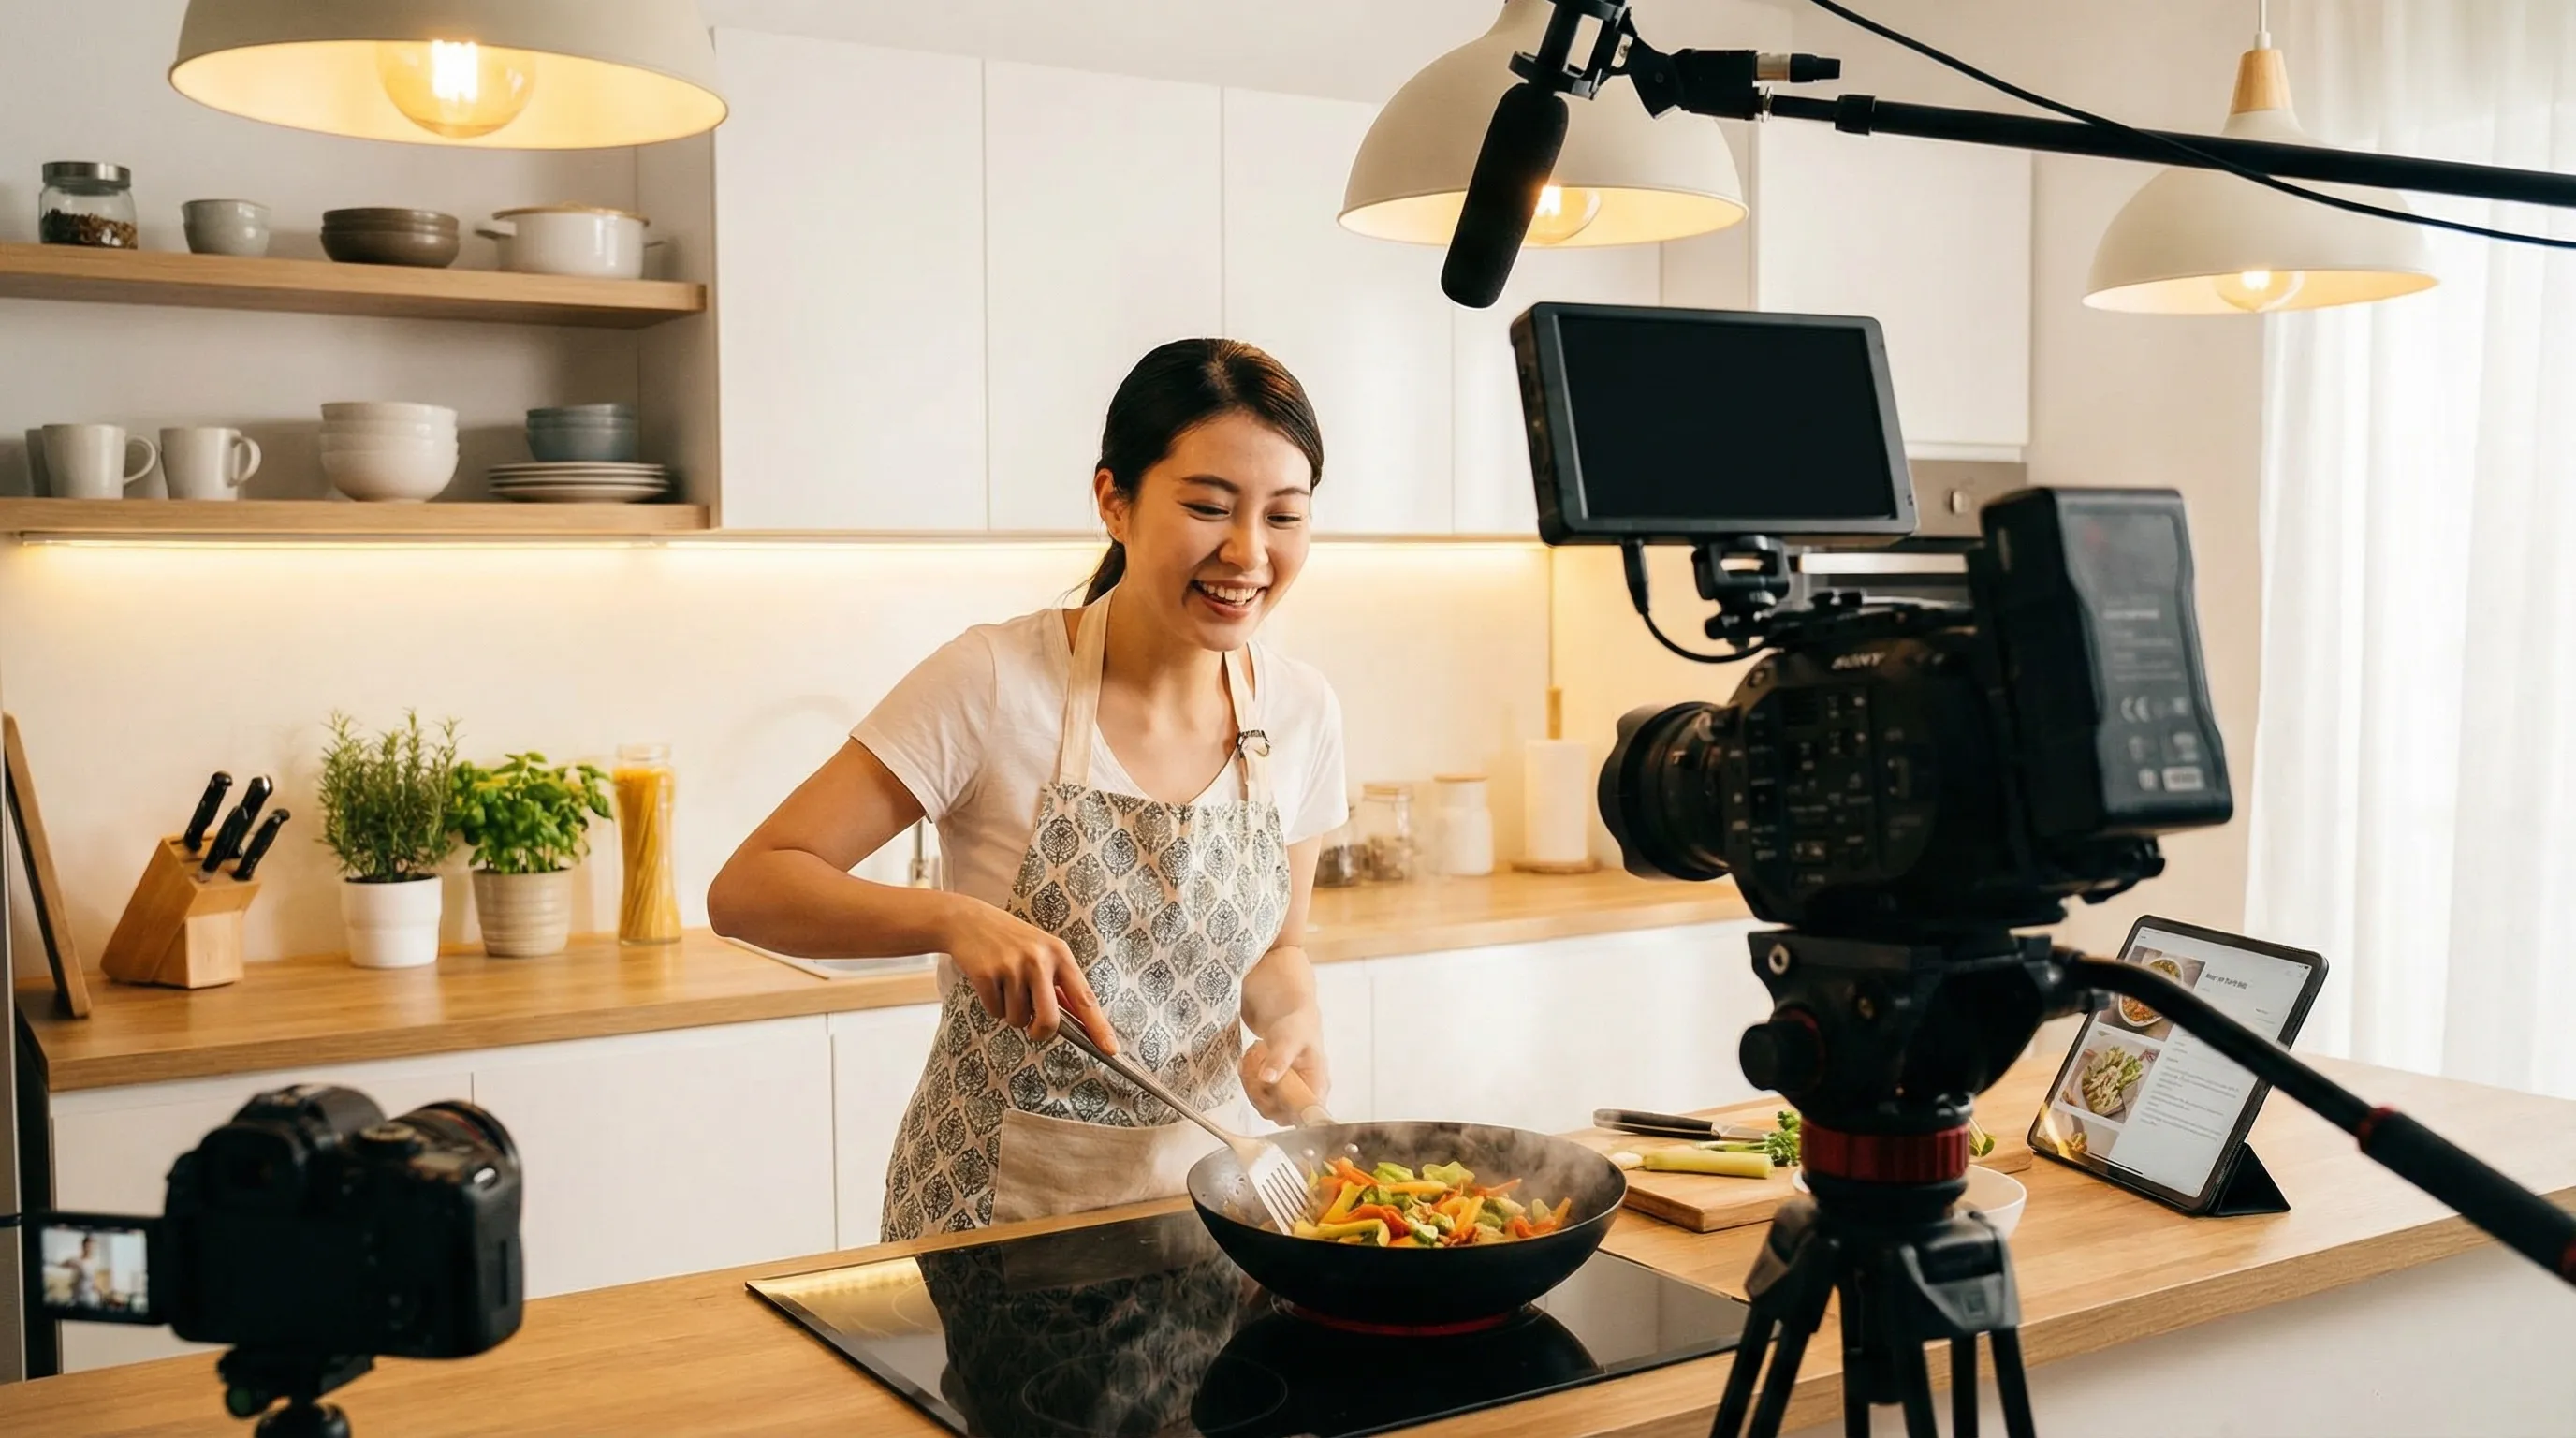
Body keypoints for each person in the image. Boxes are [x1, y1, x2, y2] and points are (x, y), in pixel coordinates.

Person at [710, 338, 1346, 1240]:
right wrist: (955, 920)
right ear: (1114, 501)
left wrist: (1292, 1021)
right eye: (1208, 507)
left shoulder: (1300, 709)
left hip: (1204, 1208)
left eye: (1285, 516)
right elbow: (749, 888)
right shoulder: (994, 681)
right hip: (992, 1219)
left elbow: (1280, 950)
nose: (1248, 552)